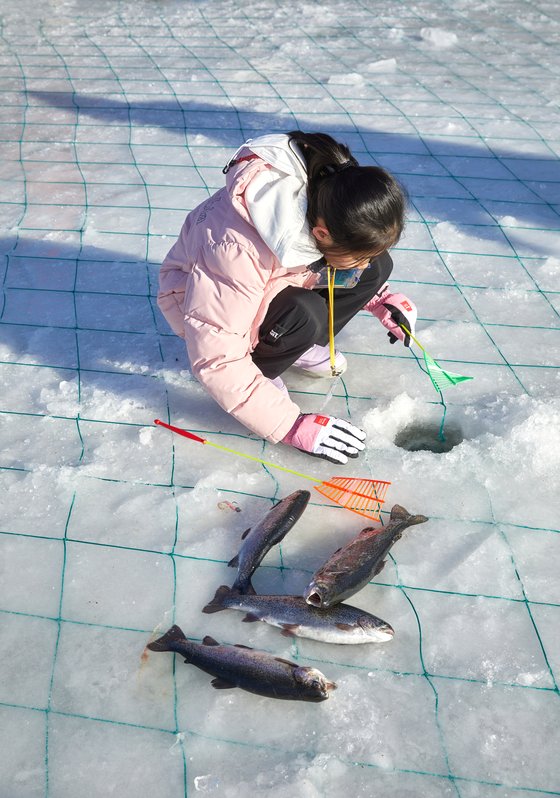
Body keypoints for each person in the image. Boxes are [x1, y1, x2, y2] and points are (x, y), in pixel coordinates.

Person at [157, 131, 417, 465]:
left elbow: (316, 266)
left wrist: (379, 300)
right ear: (321, 234)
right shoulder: (234, 250)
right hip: (206, 307)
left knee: (376, 268)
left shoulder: (324, 202)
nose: (361, 264)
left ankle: (293, 340)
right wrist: (289, 425)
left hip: (273, 282)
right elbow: (217, 357)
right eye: (356, 256)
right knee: (303, 312)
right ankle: (262, 367)